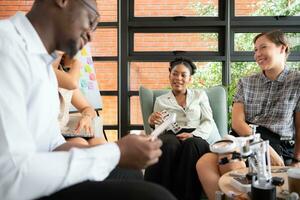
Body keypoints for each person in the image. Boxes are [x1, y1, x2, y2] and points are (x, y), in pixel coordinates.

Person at [0, 1, 176, 200]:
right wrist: (115, 153)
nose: (91, 35)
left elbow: (53, 145)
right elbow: (9, 177)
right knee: (155, 197)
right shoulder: (6, 46)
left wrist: (119, 150)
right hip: (16, 186)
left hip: (35, 175)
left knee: (130, 174)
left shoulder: (44, 67)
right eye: (91, 21)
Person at [196, 30, 300, 200]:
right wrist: (262, 146)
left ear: (282, 48)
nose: (257, 54)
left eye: (263, 47)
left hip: (278, 143)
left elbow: (299, 126)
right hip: (245, 138)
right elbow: (237, 123)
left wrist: (297, 159)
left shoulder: (297, 81)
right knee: (204, 163)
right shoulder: (246, 82)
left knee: (226, 156)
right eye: (255, 50)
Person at [144, 57, 221, 200]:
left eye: (183, 75)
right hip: (171, 133)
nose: (178, 78)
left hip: (196, 135)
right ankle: (162, 195)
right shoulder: (161, 100)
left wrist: (194, 134)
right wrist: (151, 120)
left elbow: (207, 121)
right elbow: (159, 126)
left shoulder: (200, 95)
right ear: (169, 75)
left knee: (192, 145)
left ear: (190, 79)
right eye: (174, 73)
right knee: (167, 144)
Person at [53, 52, 107, 146]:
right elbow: (72, 83)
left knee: (100, 143)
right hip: (49, 134)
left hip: (63, 131)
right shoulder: (42, 69)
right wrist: (76, 63)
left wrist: (87, 117)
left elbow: (87, 108)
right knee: (80, 143)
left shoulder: (64, 74)